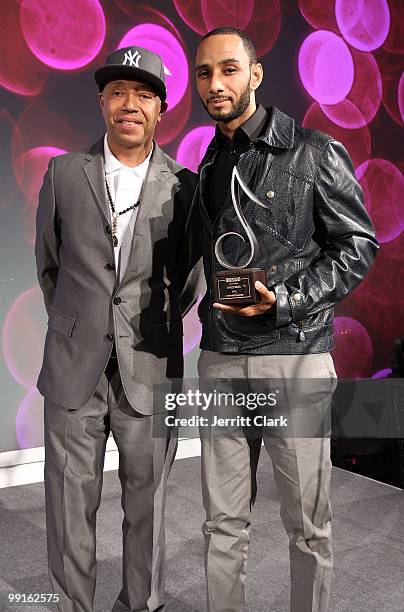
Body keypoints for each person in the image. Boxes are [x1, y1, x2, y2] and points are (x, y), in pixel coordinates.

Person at [193, 27, 378, 611]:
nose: (215, 83)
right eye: (204, 73)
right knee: (222, 525)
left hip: (293, 359)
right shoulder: (209, 160)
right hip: (221, 359)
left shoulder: (313, 151)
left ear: (255, 74)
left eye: (227, 69)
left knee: (307, 525)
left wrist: (286, 300)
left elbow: (358, 244)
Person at [35, 46, 200, 612]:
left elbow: (191, 280)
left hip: (149, 369)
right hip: (73, 367)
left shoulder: (186, 185)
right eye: (118, 92)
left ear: (161, 109)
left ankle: (140, 605)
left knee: (146, 505)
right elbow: (50, 267)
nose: (130, 103)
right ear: (103, 102)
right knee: (66, 501)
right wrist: (85, 324)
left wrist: (138, 329)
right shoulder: (62, 174)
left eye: (144, 94)